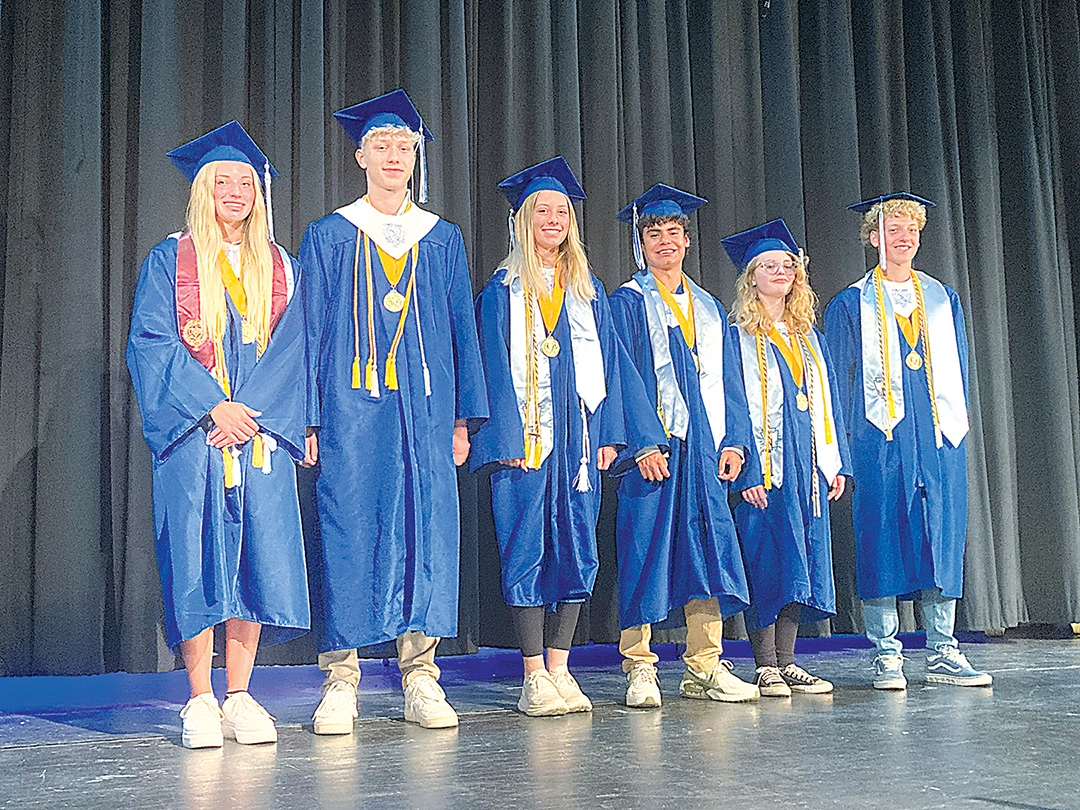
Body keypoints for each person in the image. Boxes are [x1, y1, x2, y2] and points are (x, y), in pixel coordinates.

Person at [301, 89, 488, 733]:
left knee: (425, 528)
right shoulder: (329, 235)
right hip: (352, 406)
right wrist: (309, 417)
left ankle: (422, 677)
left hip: (429, 407)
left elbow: (463, 329)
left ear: (416, 157)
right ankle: (342, 677)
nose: (393, 155)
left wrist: (465, 418)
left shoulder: (441, 238)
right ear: (359, 155)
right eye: (380, 144)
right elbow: (312, 330)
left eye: (404, 145)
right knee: (350, 524)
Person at [127, 121, 313, 749]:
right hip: (196, 436)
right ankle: (200, 698)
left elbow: (298, 352)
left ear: (259, 193)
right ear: (203, 190)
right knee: (197, 555)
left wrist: (253, 413)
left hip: (257, 434)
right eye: (222, 181)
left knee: (255, 557)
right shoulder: (171, 257)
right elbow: (152, 344)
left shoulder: (281, 265)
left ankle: (240, 694)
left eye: (245, 182)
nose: (235, 192)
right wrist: (212, 408)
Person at [471, 157, 660, 716]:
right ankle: (533, 675)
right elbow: (488, 369)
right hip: (525, 443)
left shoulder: (588, 292)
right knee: (525, 546)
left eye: (562, 211)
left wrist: (612, 434)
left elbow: (615, 368)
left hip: (579, 443)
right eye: (542, 210)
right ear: (523, 219)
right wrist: (504, 438)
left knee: (579, 547)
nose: (553, 219)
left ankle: (560, 666)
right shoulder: (502, 292)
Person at [823, 192, 991, 689]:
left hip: (939, 437)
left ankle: (942, 649)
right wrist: (841, 452)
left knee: (942, 534)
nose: (904, 237)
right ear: (874, 238)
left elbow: (957, 370)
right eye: (893, 229)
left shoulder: (943, 299)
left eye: (911, 230)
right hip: (879, 438)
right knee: (882, 535)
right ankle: (887, 652)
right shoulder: (849, 304)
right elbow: (835, 383)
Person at [607, 184, 759, 709]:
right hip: (654, 449)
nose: (666, 241)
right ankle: (640, 666)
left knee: (707, 551)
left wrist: (736, 441)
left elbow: (731, 381)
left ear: (687, 241)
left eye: (674, 232)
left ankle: (704, 665)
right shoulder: (625, 303)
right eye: (655, 233)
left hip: (703, 448)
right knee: (645, 551)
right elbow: (621, 378)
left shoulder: (711, 308)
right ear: (641, 243)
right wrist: (643, 443)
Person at [723, 219, 850, 697]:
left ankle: (789, 661)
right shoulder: (736, 336)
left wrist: (837, 463)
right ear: (750, 276)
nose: (780, 272)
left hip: (809, 465)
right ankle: (764, 663)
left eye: (787, 265)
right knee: (767, 555)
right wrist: (747, 471)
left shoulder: (808, 336)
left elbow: (830, 401)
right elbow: (733, 404)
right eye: (768, 265)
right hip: (765, 463)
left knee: (802, 556)